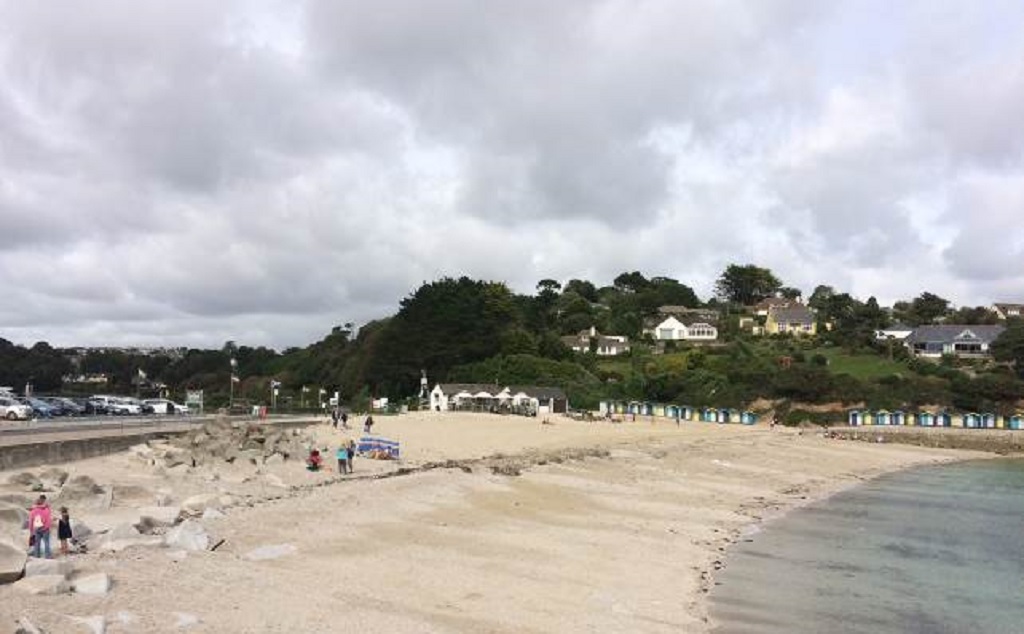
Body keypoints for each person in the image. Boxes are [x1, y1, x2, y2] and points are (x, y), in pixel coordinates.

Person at [28, 495, 53, 559]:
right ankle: (48, 556)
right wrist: (47, 527)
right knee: (46, 543)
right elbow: (49, 519)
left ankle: (37, 556)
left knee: (37, 544)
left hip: (36, 529)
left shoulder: (33, 510)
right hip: (45, 529)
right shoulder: (47, 509)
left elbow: (31, 521)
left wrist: (31, 531)